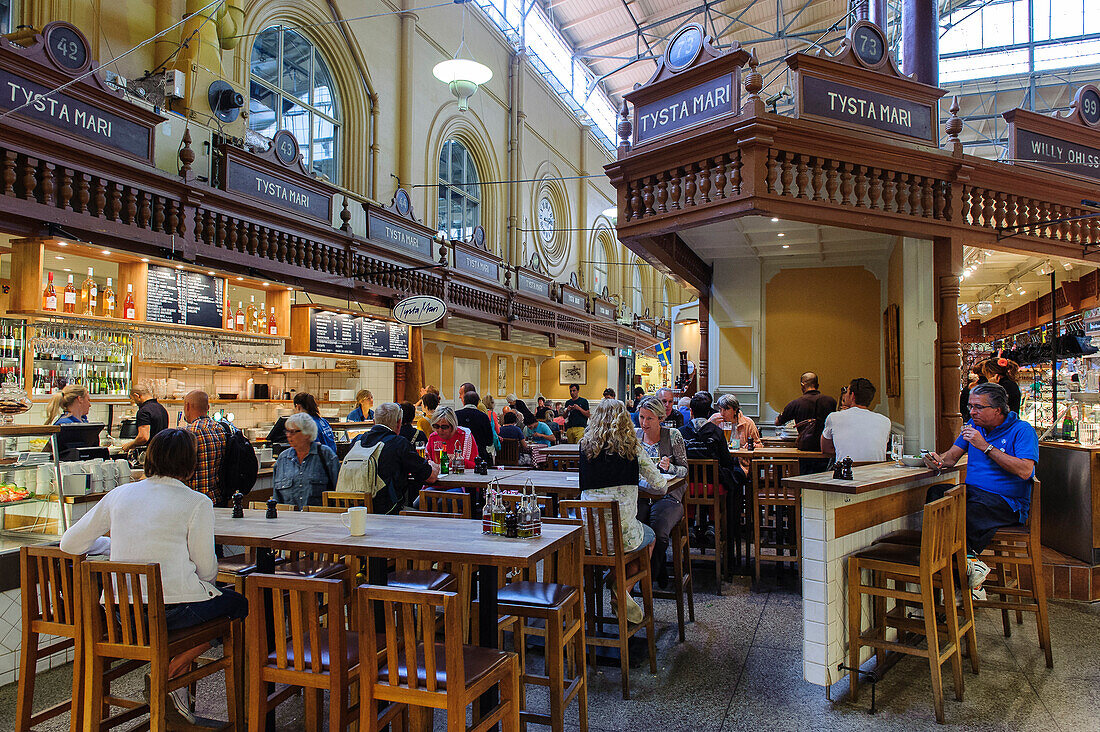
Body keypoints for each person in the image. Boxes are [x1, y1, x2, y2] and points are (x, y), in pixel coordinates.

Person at [60, 428, 248, 725]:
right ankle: (171, 669)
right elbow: (208, 571)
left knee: (204, 608)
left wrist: (113, 545)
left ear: (149, 458)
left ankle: (176, 693)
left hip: (122, 616)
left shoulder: (119, 494)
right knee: (237, 603)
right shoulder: (196, 502)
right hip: (172, 615)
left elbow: (70, 544)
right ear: (190, 463)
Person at [922, 382, 1038, 599]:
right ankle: (970, 567)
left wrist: (985, 446)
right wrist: (936, 460)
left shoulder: (1022, 430)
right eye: (970, 406)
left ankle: (959, 580)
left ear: (998, 409)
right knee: (938, 495)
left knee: (966, 509)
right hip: (975, 495)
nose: (972, 412)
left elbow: (1025, 470)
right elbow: (951, 458)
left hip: (1008, 503)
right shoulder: (972, 426)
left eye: (978, 407)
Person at [578, 399, 667, 623]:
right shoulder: (632, 447)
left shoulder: (585, 445)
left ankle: (617, 583)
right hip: (623, 535)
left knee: (628, 552)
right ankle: (621, 586)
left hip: (588, 538)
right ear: (625, 421)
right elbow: (660, 485)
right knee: (649, 538)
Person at [635, 396, 689, 587]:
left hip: (668, 495)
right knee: (636, 526)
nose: (644, 423)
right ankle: (641, 574)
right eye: (641, 417)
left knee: (658, 528)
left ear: (660, 418)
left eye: (649, 419)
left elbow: (684, 470)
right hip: (641, 495)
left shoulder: (672, 435)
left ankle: (649, 577)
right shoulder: (635, 436)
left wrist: (671, 468)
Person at [680, 393, 745, 547]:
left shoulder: (681, 432)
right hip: (712, 487)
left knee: (689, 484)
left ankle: (689, 525)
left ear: (691, 412)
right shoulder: (717, 432)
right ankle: (713, 525)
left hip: (688, 487)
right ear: (709, 413)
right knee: (727, 479)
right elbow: (727, 462)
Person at [353, 402, 437, 513]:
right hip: (387, 510)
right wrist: (433, 465)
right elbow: (430, 477)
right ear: (399, 423)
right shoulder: (399, 444)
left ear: (374, 422)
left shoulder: (357, 441)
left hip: (355, 508)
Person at [273, 412, 341, 509]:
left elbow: (339, 494)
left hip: (319, 519)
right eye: (287, 431)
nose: (288, 435)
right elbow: (277, 498)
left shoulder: (326, 455)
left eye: (293, 432)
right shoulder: (283, 459)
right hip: (289, 520)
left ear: (307, 434)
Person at [776, 371, 837, 472]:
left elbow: (777, 422)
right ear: (817, 385)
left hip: (805, 448)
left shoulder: (796, 403)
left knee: (804, 478)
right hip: (825, 449)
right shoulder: (831, 401)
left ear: (802, 385)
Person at [821, 378, 892, 463]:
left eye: (847, 392)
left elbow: (826, 448)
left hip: (847, 473)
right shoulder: (885, 421)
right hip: (877, 472)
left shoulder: (834, 417)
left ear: (852, 396)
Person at [182, 390, 230, 505]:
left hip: (194, 500)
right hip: (219, 498)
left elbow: (180, 471)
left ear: (187, 406)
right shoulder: (222, 428)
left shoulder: (189, 433)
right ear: (208, 407)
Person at [708, 394, 761, 472]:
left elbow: (759, 445)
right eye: (720, 409)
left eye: (726, 409)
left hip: (739, 462)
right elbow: (704, 439)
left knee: (731, 474)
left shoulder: (747, 423)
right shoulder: (715, 419)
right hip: (719, 461)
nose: (722, 413)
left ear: (735, 409)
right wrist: (711, 425)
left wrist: (753, 445)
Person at [120, 382, 169, 452]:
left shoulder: (144, 411)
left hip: (150, 452)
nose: (134, 402)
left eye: (133, 399)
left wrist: (129, 445)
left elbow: (143, 437)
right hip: (162, 451)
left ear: (137, 396)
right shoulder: (161, 408)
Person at [457, 390, 495, 465]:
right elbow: (489, 440)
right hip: (480, 455)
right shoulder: (483, 417)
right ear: (478, 403)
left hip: (460, 456)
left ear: (464, 401)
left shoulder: (456, 415)